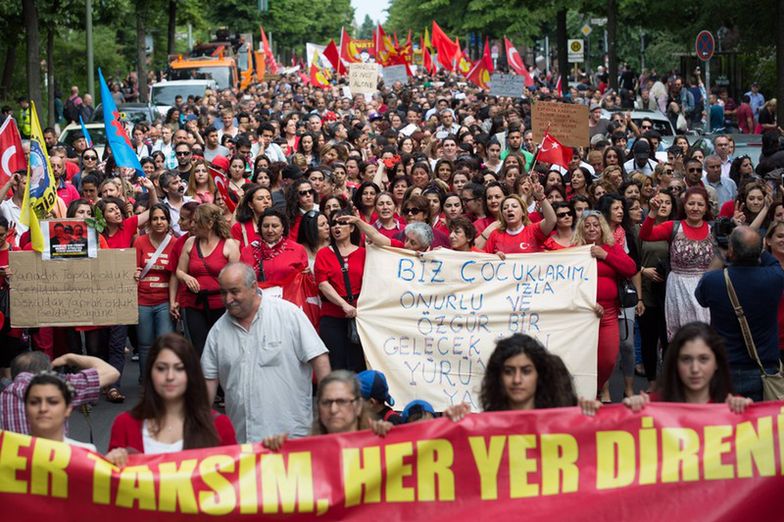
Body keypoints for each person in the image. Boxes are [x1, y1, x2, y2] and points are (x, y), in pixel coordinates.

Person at [202, 262, 330, 443]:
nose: (228, 299)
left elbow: (319, 358)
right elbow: (208, 380)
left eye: (234, 291)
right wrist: (199, 426)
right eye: (223, 292)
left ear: (253, 287)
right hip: (244, 444)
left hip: (291, 439)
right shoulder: (217, 332)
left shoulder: (288, 314)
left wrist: (327, 409)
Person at [106, 333, 235, 464]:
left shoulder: (220, 426)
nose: (170, 376)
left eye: (179, 369)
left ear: (191, 374)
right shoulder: (124, 425)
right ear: (150, 372)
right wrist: (112, 463)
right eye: (161, 368)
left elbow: (235, 479)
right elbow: (110, 483)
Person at [695, 226, 784, 401]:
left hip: (726, 370)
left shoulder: (714, 281)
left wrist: (721, 253)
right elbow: (771, 261)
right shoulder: (775, 277)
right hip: (763, 370)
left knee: (726, 425)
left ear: (732, 251)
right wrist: (756, 243)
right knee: (761, 426)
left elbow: (700, 296)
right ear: (760, 251)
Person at [599, 323, 751, 416]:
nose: (695, 369)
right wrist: (595, 412)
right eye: (686, 359)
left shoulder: (733, 406)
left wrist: (748, 414)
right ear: (675, 362)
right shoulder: (651, 405)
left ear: (717, 362)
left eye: (703, 359)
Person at [640, 187, 716, 339]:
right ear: (684, 206)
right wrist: (653, 212)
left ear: (706, 207)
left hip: (705, 286)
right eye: (691, 204)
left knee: (705, 334)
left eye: (700, 204)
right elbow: (645, 235)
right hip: (678, 286)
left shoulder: (713, 229)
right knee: (681, 335)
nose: (695, 208)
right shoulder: (674, 227)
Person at [572, 211, 637, 390]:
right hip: (583, 314)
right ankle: (588, 395)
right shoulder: (574, 250)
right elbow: (568, 284)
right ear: (581, 229)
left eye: (596, 224)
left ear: (602, 227)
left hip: (608, 314)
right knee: (583, 360)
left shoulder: (610, 246)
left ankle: (597, 389)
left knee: (608, 360)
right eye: (587, 225)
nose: (592, 228)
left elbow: (631, 268)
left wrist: (605, 256)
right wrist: (588, 302)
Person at [444, 334, 579, 420]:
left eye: (526, 371)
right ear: (498, 376)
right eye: (509, 372)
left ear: (540, 375)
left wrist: (595, 416)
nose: (517, 380)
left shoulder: (560, 424)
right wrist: (453, 425)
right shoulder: (484, 426)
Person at [262, 370, 393, 451]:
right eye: (326, 402)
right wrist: (276, 452)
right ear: (318, 407)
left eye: (342, 401)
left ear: (358, 406)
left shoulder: (379, 445)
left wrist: (391, 439)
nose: (333, 409)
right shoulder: (304, 454)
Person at [176, 204, 240, 355]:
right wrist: (186, 277)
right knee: (200, 348)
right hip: (194, 304)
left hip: (222, 305)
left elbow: (236, 277)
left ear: (210, 223)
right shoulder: (190, 242)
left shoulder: (229, 245)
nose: (193, 225)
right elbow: (179, 271)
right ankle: (204, 378)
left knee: (223, 348)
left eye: (197, 222)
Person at [1, 351, 119, 434]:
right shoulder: (59, 386)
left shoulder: (3, 396)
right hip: (55, 463)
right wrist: (69, 358)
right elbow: (111, 372)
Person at [314, 209, 367, 372]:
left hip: (360, 316)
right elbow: (323, 284)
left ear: (351, 228)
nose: (337, 227)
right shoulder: (323, 254)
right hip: (332, 317)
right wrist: (344, 305)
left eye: (342, 223)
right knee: (336, 364)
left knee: (359, 364)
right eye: (333, 224)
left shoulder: (364, 253)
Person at [637, 189, 678, 388]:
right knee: (648, 338)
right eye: (660, 202)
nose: (663, 206)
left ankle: (670, 382)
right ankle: (652, 381)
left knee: (670, 338)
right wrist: (643, 270)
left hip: (672, 292)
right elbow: (631, 261)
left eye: (668, 202)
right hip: (647, 292)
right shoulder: (642, 229)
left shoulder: (679, 229)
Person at [133, 203, 176, 378]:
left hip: (165, 301)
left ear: (168, 221)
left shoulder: (175, 243)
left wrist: (174, 302)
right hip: (142, 301)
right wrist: (134, 273)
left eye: (163, 218)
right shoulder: (140, 242)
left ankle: (163, 379)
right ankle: (146, 380)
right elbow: (134, 267)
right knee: (144, 345)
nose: (159, 222)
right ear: (149, 222)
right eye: (155, 218)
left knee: (165, 343)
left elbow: (176, 274)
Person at [23, 372, 96, 451]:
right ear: (25, 408)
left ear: (68, 408)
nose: (43, 408)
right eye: (34, 402)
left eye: (53, 402)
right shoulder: (10, 450)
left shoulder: (86, 454)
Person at [240, 208, 308, 285]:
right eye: (266, 226)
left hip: (288, 295)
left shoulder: (298, 249)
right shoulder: (248, 251)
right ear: (260, 228)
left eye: (275, 226)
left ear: (283, 228)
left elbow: (304, 281)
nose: (270, 230)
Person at [484, 190, 556, 255]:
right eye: (505, 208)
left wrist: (541, 197)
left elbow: (552, 220)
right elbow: (485, 259)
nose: (509, 209)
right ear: (502, 214)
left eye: (514, 206)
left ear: (523, 212)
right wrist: (494, 257)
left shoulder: (533, 230)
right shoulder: (495, 235)